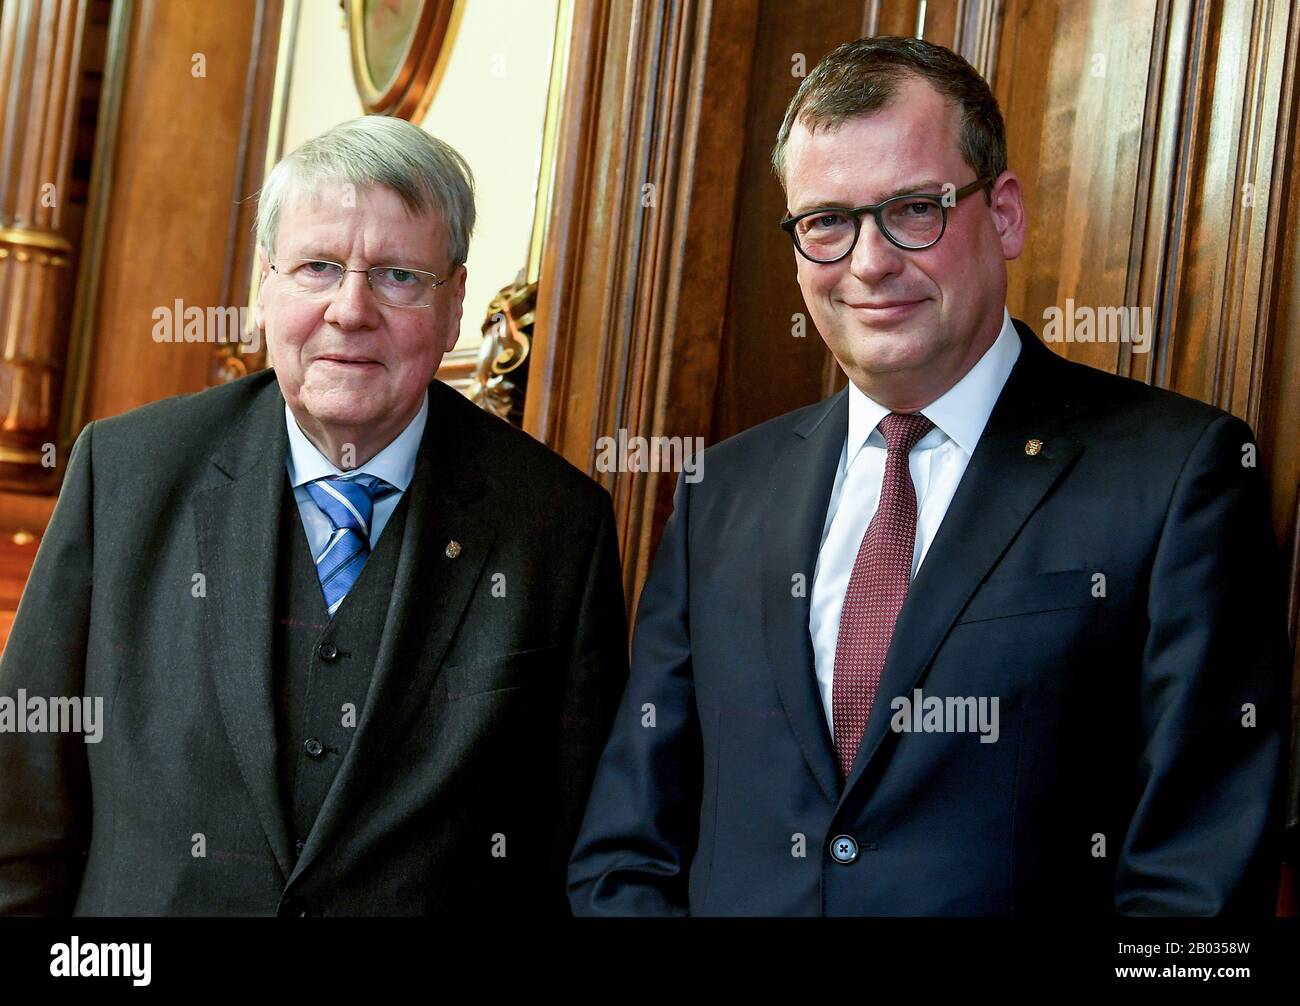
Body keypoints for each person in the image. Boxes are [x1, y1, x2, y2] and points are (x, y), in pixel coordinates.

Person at [568, 36, 1289, 916]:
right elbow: (628, 846)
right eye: (827, 221)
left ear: (1006, 214)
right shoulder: (722, 489)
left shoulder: (1175, 474)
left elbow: (1198, 884)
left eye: (914, 209)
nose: (869, 261)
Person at [0, 115, 628, 915]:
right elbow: (18, 825)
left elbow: (572, 858)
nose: (350, 309)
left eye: (399, 275)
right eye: (318, 267)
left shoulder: (557, 528)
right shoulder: (124, 477)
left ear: (456, 302)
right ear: (265, 285)